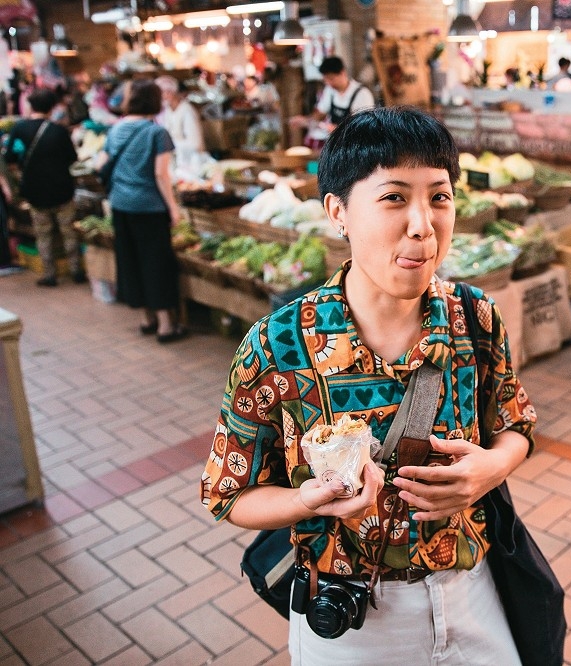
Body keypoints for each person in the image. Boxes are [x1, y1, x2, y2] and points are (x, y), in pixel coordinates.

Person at [200, 107, 536, 662]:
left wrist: (491, 469)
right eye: (394, 197)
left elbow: (516, 423)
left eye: (440, 197)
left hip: (473, 595)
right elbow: (229, 495)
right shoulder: (277, 345)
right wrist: (305, 500)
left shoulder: (475, 318)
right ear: (338, 212)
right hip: (353, 619)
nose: (423, 224)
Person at [99, 79, 185, 343]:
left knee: (131, 260)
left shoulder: (116, 130)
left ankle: (146, 319)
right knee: (155, 262)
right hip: (149, 207)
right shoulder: (156, 133)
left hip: (120, 204)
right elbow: (161, 174)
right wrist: (173, 208)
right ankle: (165, 326)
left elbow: (100, 163)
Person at [1, 87, 83, 287]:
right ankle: (76, 271)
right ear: (52, 107)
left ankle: (50, 274)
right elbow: (72, 158)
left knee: (43, 233)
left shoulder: (19, 129)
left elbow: (9, 156)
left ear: (31, 105)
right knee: (68, 232)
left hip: (35, 190)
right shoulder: (59, 130)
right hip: (62, 188)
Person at [291, 56, 375, 148]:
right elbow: (320, 113)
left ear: (342, 73)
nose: (329, 83)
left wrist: (337, 129)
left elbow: (363, 126)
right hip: (336, 144)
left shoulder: (362, 94)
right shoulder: (330, 91)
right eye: (325, 80)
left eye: (331, 79)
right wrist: (306, 120)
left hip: (356, 146)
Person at [154, 76, 204, 169]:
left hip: (192, 164)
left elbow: (195, 144)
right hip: (176, 162)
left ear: (169, 93)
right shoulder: (169, 110)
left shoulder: (186, 110)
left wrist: (168, 144)